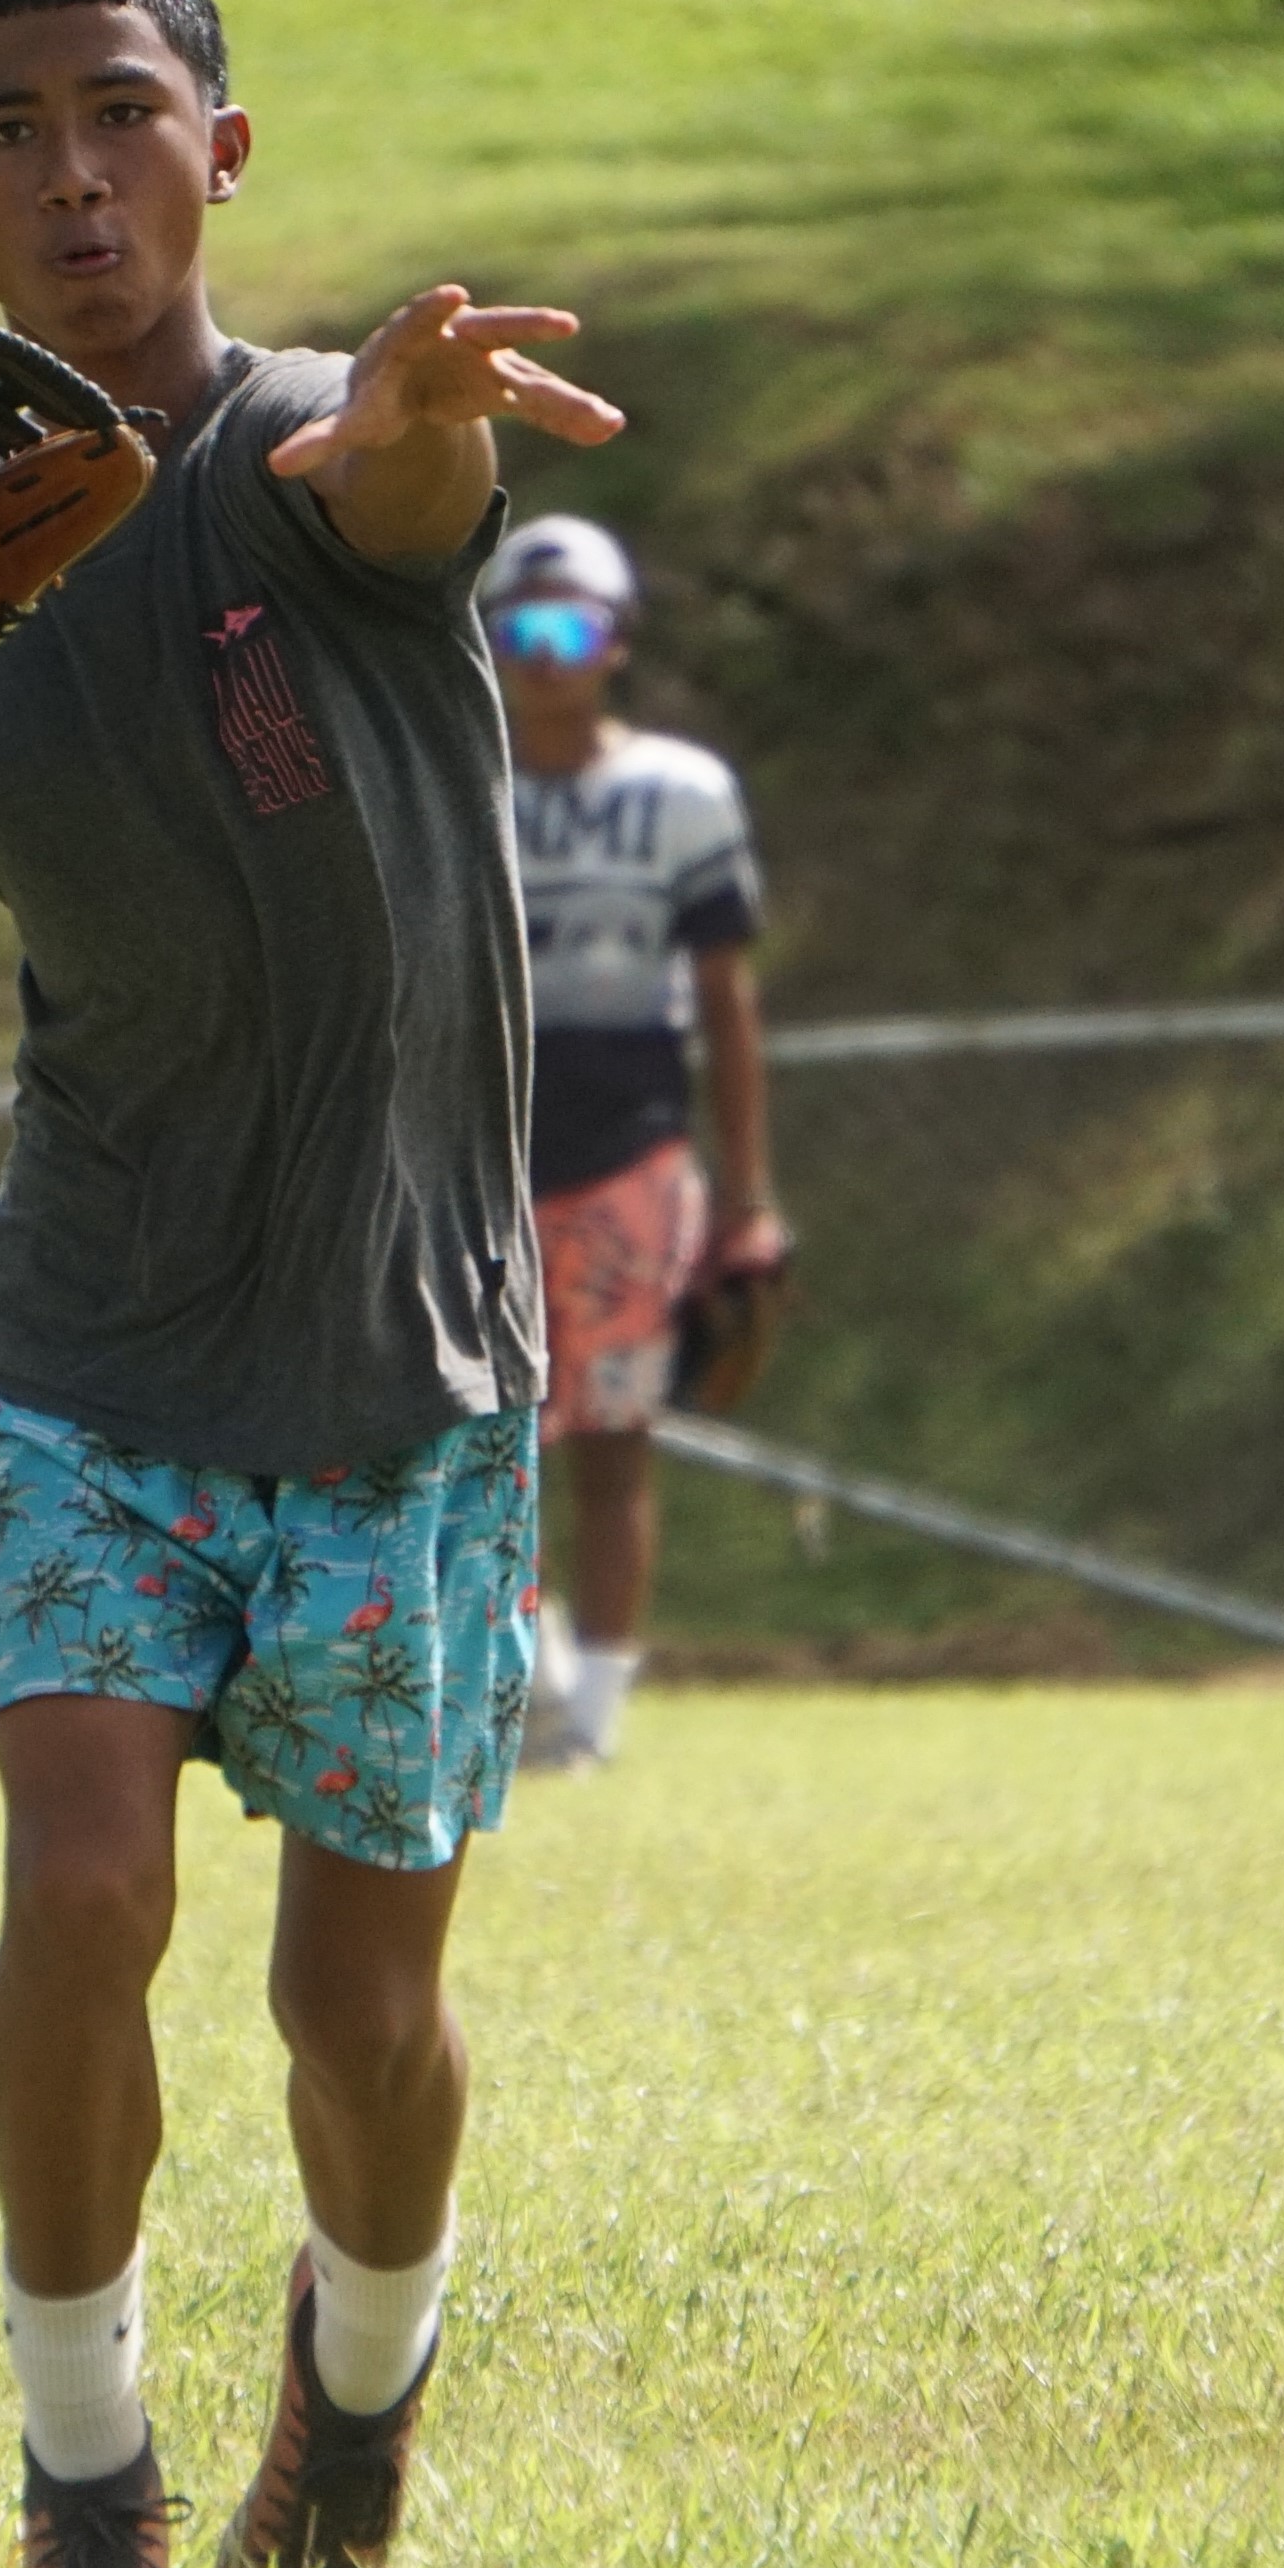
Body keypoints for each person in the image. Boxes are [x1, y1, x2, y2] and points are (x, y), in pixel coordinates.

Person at [0, 0, 619, 2568]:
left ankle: (351, 2394)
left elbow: (399, 496)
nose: (73, 174)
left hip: (397, 1368)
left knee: (362, 2007)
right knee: (79, 1883)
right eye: (7, 131)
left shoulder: (327, 437)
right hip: (93, 1349)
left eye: (120, 114)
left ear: (217, 149)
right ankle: (81, 2487)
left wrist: (431, 429)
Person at [487, 513, 788, 1772]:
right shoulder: (455, 784)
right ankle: (527, 1672)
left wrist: (751, 1196)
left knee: (613, 1440)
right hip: (473, 1162)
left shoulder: (680, 792)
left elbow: (726, 995)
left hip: (628, 1155)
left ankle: (594, 1718)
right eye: (521, 628)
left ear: (616, 643)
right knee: (476, 1442)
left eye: (574, 628)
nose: (547, 656)